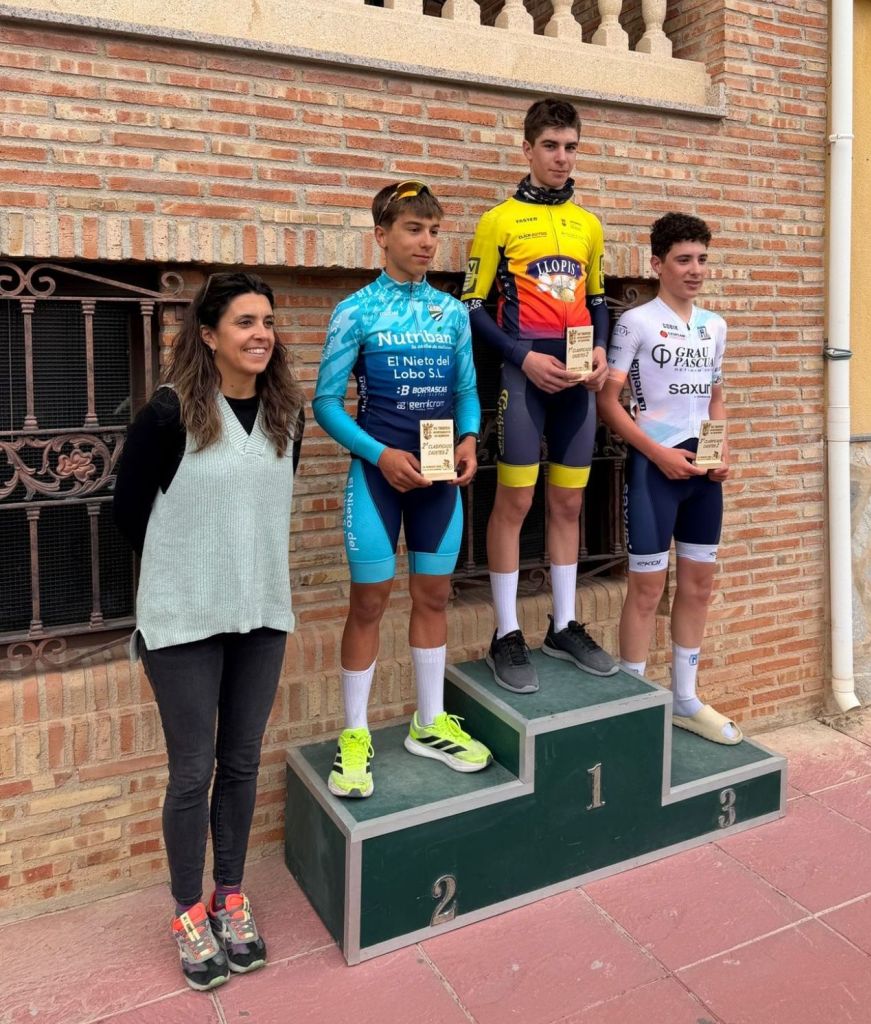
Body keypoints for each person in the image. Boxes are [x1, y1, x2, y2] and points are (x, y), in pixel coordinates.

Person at [113, 272, 306, 990]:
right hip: (184, 621)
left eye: (268, 322)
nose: (261, 334)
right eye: (244, 322)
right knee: (193, 772)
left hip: (261, 614)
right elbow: (127, 514)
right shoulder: (169, 415)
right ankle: (187, 910)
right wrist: (188, 571)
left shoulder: (287, 415)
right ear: (208, 334)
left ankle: (230, 896)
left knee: (243, 761)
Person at [313, 181, 492, 800]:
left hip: (439, 480)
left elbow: (466, 391)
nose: (427, 242)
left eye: (434, 231)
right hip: (379, 477)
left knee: (434, 596)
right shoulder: (356, 310)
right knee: (368, 603)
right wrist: (380, 455)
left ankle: (429, 721)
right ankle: (355, 733)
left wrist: (469, 439)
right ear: (381, 236)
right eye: (414, 229)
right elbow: (326, 403)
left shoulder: (452, 313)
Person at [462, 97, 617, 694]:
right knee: (515, 501)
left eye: (570, 146)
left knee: (569, 505)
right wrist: (522, 357)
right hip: (525, 377)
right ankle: (505, 631)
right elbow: (473, 306)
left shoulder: (588, 224)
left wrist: (600, 351)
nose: (561, 157)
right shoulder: (497, 221)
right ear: (527, 149)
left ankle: (564, 624)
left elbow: (598, 300)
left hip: (577, 385)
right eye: (550, 146)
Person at [597, 212, 742, 744]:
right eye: (683, 260)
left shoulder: (714, 326)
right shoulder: (636, 322)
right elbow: (608, 402)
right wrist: (658, 454)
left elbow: (715, 397)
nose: (695, 269)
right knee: (647, 588)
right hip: (653, 468)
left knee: (699, 585)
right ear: (657, 264)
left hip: (702, 474)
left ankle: (684, 698)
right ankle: (631, 705)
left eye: (702, 259)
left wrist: (720, 450)